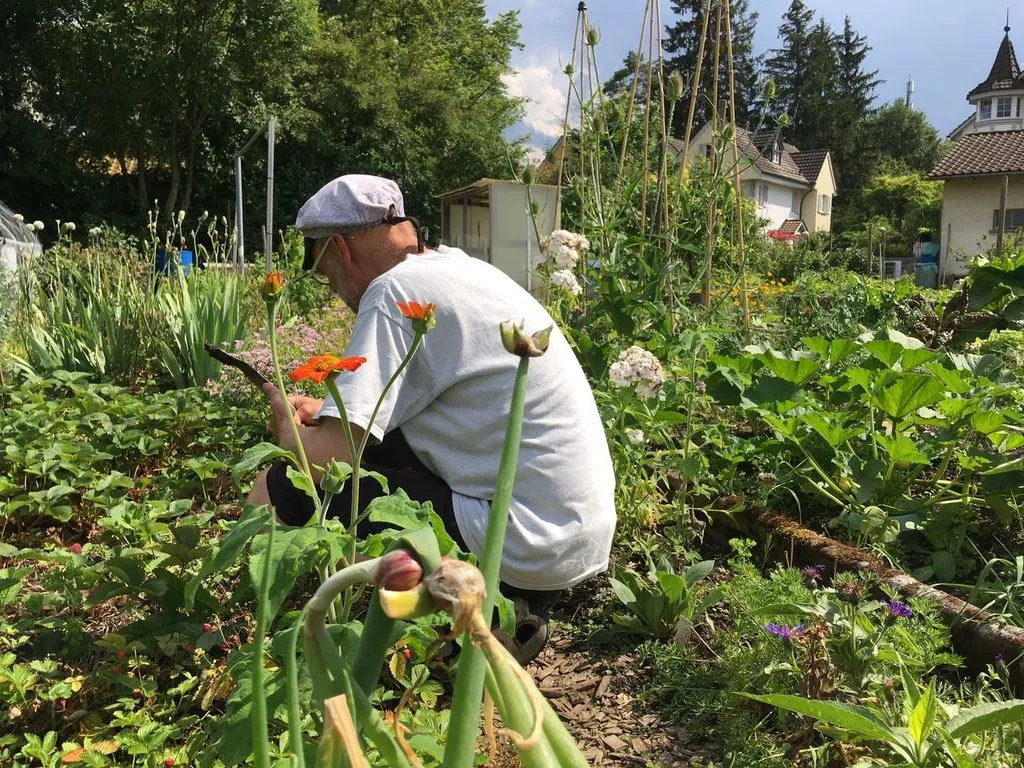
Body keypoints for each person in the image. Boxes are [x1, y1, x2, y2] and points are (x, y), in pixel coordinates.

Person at [247, 174, 615, 663]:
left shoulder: (392, 291)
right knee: (375, 463)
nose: (333, 290)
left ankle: (467, 620)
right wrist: (329, 411)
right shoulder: (461, 269)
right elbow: (408, 409)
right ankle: (485, 604)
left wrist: (286, 429)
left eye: (324, 273)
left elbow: (324, 462)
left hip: (519, 541)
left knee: (281, 487)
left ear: (340, 248)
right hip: (571, 535)